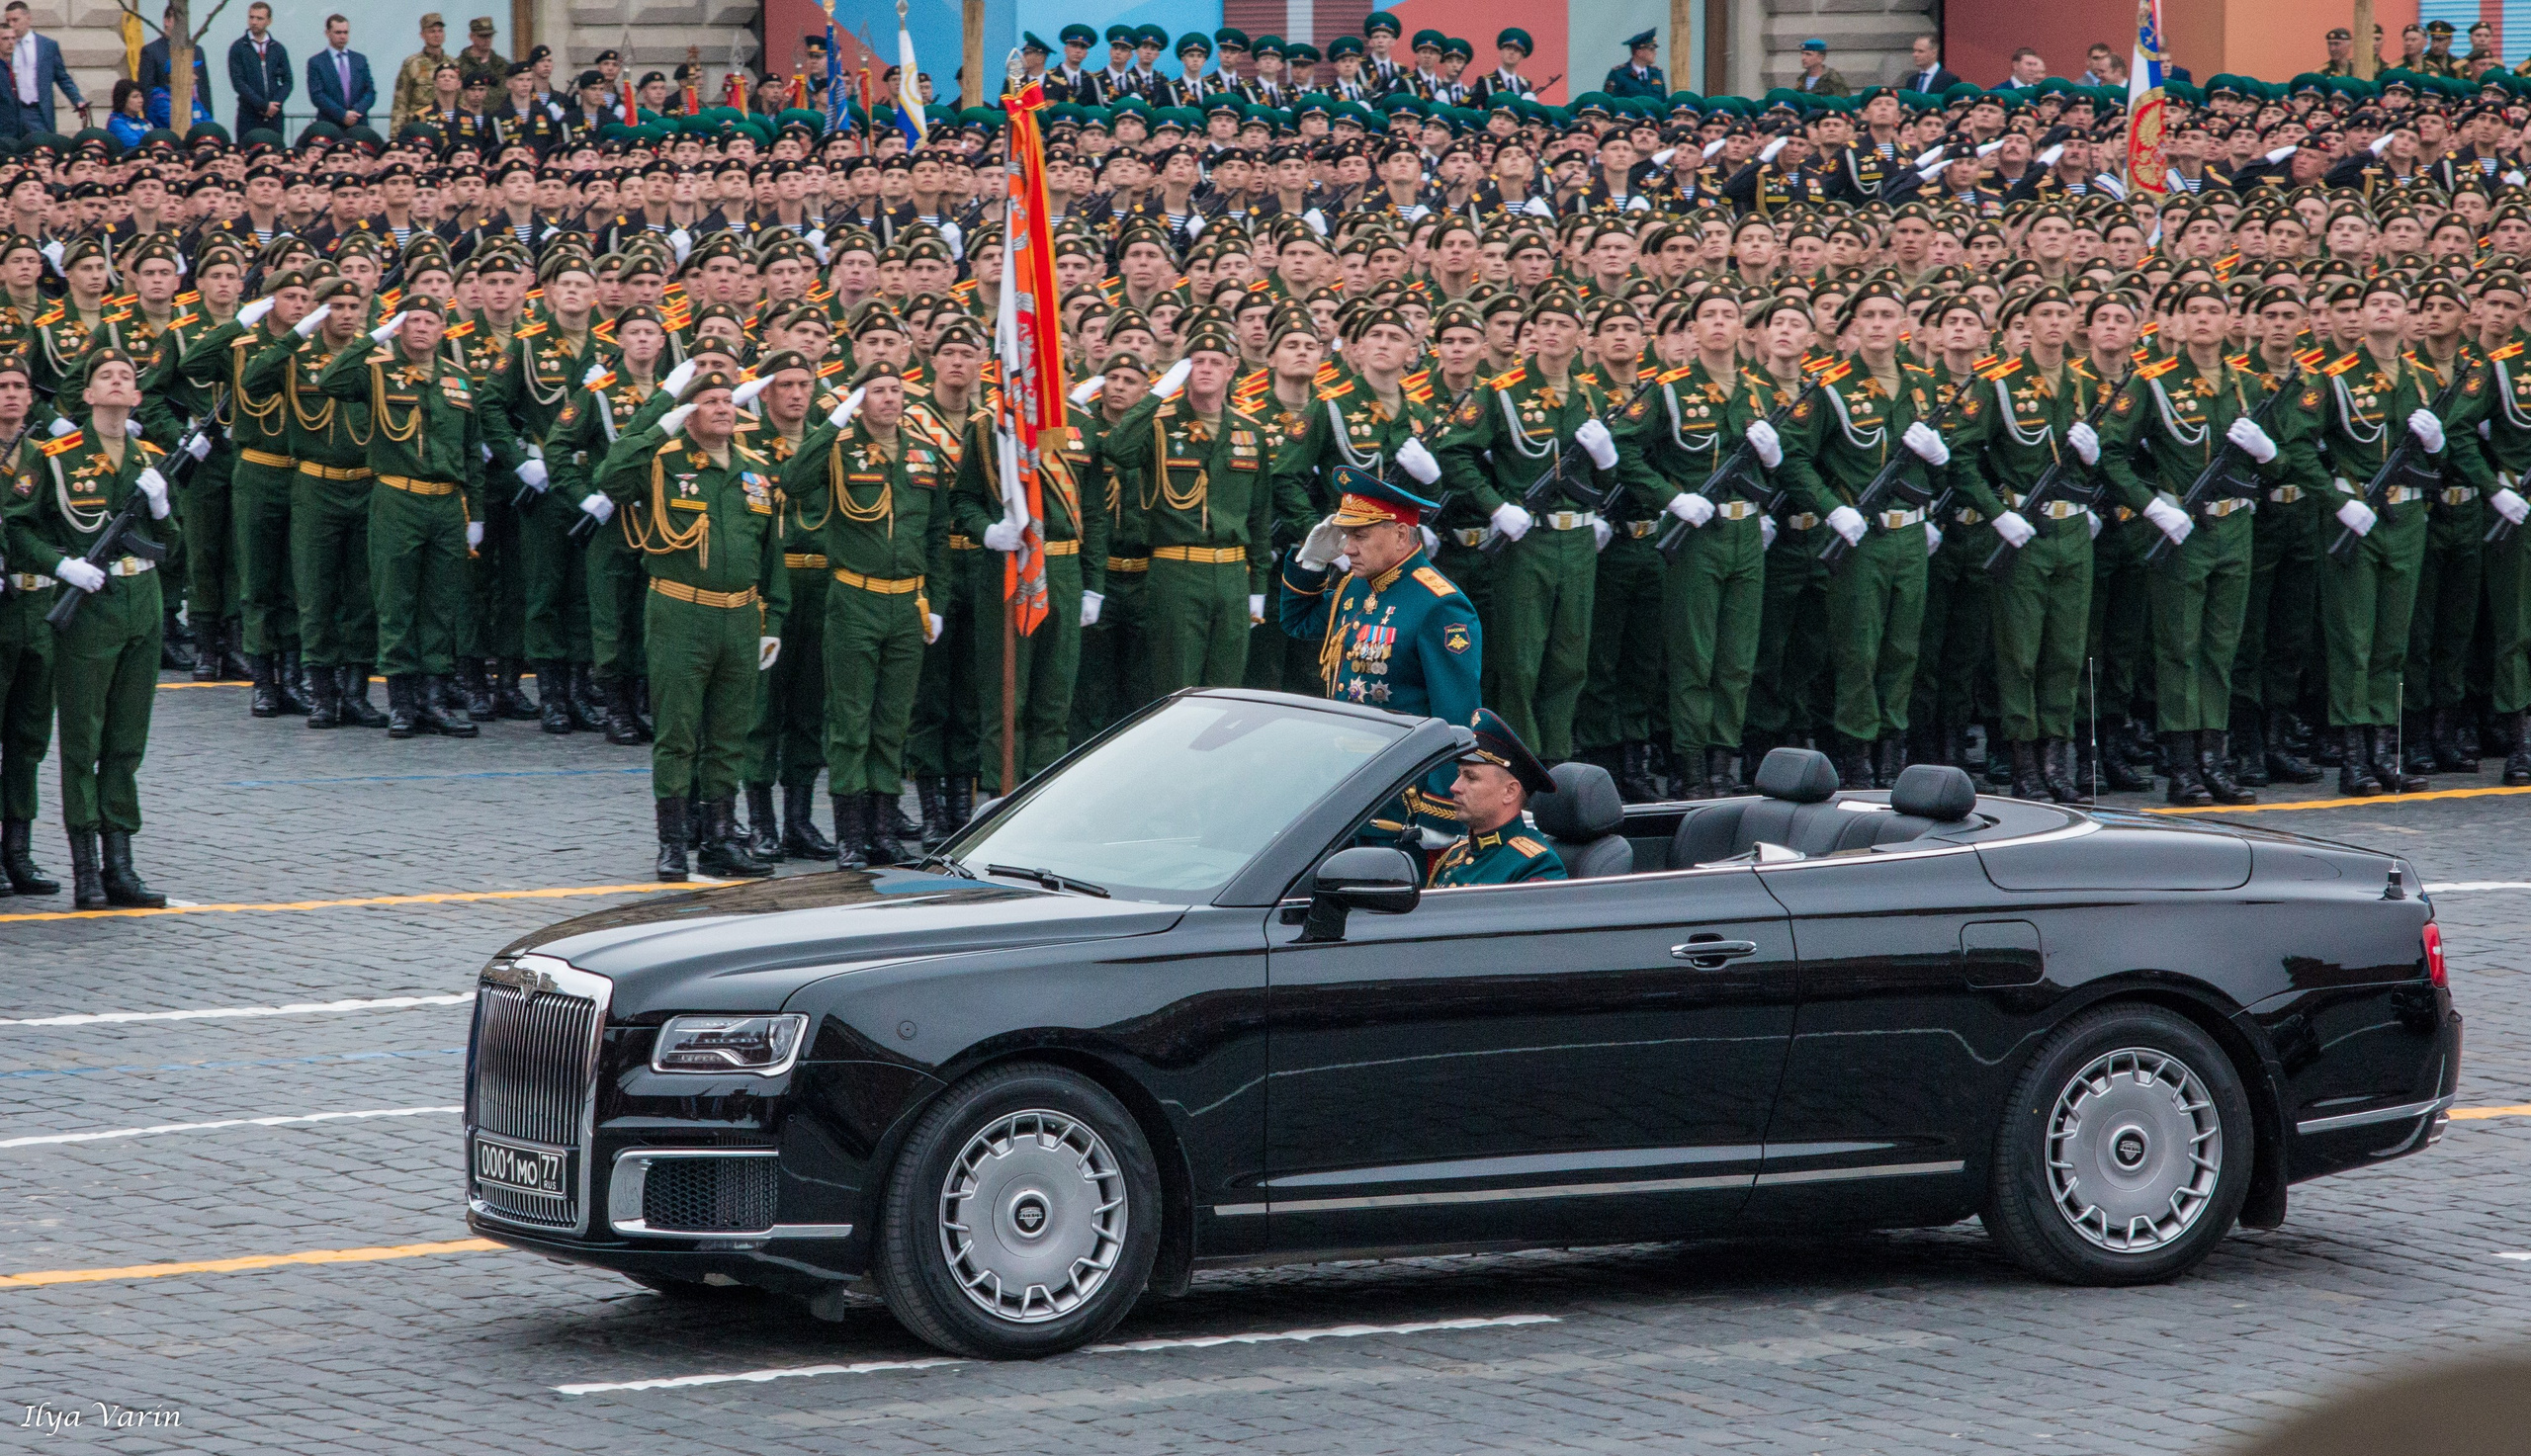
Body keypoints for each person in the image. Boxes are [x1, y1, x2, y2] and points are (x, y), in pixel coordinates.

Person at [593, 367, 787, 882]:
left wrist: (775, 619)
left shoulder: (754, 468)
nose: (723, 407)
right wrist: (661, 418)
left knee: (730, 733)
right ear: (690, 411)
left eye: (728, 399)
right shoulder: (662, 463)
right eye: (709, 401)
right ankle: (673, 842)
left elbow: (771, 552)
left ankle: (721, 837)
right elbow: (611, 476)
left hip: (741, 613)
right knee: (678, 732)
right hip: (681, 610)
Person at [2, 349, 171, 909]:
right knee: (83, 740)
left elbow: (179, 551)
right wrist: (60, 565)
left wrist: (164, 505)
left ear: (138, 397)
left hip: (141, 602)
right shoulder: (55, 458)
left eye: (127, 377)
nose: (118, 383)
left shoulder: (150, 458)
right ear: (89, 395)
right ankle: (87, 870)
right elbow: (20, 529)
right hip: (89, 606)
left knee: (127, 740)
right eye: (106, 377)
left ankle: (121, 863)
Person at [1279, 468, 1481, 844]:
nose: (1347, 548)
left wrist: (1441, 811)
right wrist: (1311, 563)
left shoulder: (1439, 604)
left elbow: (1455, 714)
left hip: (1398, 791)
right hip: (1345, 778)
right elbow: (1299, 623)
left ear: (1401, 534)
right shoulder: (1356, 588)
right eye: (1345, 536)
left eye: (1360, 536)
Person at [314, 294, 484, 738]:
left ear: (443, 328)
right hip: (397, 498)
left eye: (430, 321)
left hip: (447, 501)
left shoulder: (459, 380)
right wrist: (371, 340)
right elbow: (330, 380)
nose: (421, 329)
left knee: (441, 604)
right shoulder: (376, 372)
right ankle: (402, 702)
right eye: (412, 321)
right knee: (396, 602)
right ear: (400, 328)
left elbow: (471, 451)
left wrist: (477, 513)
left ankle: (434, 699)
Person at [0, 353, 58, 898]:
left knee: (29, 735)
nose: (11, 395)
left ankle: (18, 851)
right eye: (2, 386)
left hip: (37, 607)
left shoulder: (47, 458)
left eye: (19, 386)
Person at [1426, 708, 1565, 887]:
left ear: (1509, 792)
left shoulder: (1534, 865)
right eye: (1459, 774)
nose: (1454, 787)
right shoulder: (1455, 854)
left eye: (1471, 778)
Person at [4, 1, 87, 136]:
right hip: (13, 112)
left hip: (37, 111)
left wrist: (77, 100)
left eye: (15, 20)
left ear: (28, 18)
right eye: (8, 21)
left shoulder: (47, 46)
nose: (12, 25)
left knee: (43, 149)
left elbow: (62, 77)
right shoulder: (4, 46)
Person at [136, 5, 215, 120]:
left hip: (198, 115)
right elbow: (146, 89)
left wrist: (208, 120)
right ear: (167, 21)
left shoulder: (197, 50)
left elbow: (204, 89)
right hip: (168, 117)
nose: (182, 25)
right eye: (177, 20)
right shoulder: (151, 51)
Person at [227, 0, 290, 140]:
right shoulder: (238, 48)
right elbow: (238, 82)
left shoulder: (277, 48)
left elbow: (288, 81)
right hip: (248, 115)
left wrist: (275, 104)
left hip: (275, 116)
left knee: (274, 153)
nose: (254, 22)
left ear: (269, 21)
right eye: (251, 17)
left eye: (259, 18)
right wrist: (263, 105)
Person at [306, 13, 376, 130]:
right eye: (338, 32)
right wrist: (342, 114)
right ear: (328, 33)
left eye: (346, 32)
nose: (343, 36)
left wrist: (356, 111)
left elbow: (370, 91)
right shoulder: (316, 62)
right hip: (330, 124)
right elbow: (317, 95)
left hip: (358, 123)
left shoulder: (359, 60)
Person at [392, 13, 453, 138]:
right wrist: (395, 134)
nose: (436, 35)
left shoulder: (452, 64)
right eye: (431, 31)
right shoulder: (412, 63)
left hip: (447, 127)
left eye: (440, 31)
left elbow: (460, 98)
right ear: (422, 35)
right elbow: (400, 100)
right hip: (418, 126)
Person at [1604, 31, 1665, 101]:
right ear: (1639, 53)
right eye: (1651, 50)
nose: (1655, 53)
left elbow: (1663, 103)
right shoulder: (1618, 74)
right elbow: (1608, 101)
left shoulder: (1657, 73)